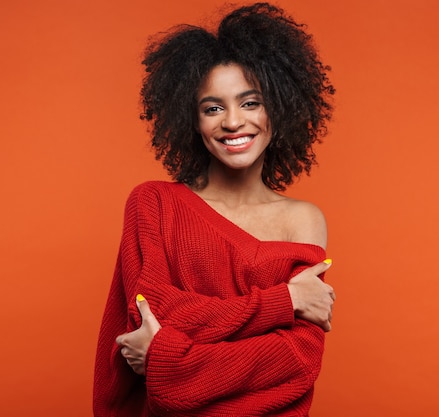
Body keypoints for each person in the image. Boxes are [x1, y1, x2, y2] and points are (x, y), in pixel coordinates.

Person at [94, 3, 337, 416]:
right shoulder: (153, 202)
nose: (232, 122)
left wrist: (166, 358)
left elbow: (296, 362)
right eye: (213, 108)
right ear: (192, 121)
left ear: (278, 108)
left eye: (250, 103)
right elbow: (153, 311)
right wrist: (284, 301)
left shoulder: (304, 219)